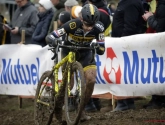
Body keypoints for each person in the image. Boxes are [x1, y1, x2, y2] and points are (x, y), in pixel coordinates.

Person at [46, 3, 105, 121]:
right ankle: (58, 106)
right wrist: (53, 41)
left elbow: (102, 49)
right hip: (69, 52)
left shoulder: (99, 28)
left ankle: (81, 109)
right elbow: (51, 36)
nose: (89, 27)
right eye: (87, 24)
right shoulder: (72, 25)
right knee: (70, 84)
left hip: (85, 53)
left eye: (92, 25)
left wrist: (98, 47)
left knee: (91, 79)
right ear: (81, 19)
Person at [110, 0, 144, 112]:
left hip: (125, 45)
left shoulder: (131, 3)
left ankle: (124, 102)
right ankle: (126, 102)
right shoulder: (125, 3)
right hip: (121, 43)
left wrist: (122, 43)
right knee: (124, 73)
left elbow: (130, 26)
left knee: (123, 73)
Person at [142, 0, 165, 109]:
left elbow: (160, 27)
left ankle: (158, 100)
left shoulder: (162, 5)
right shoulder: (160, 4)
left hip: (161, 44)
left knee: (158, 70)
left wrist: (150, 18)